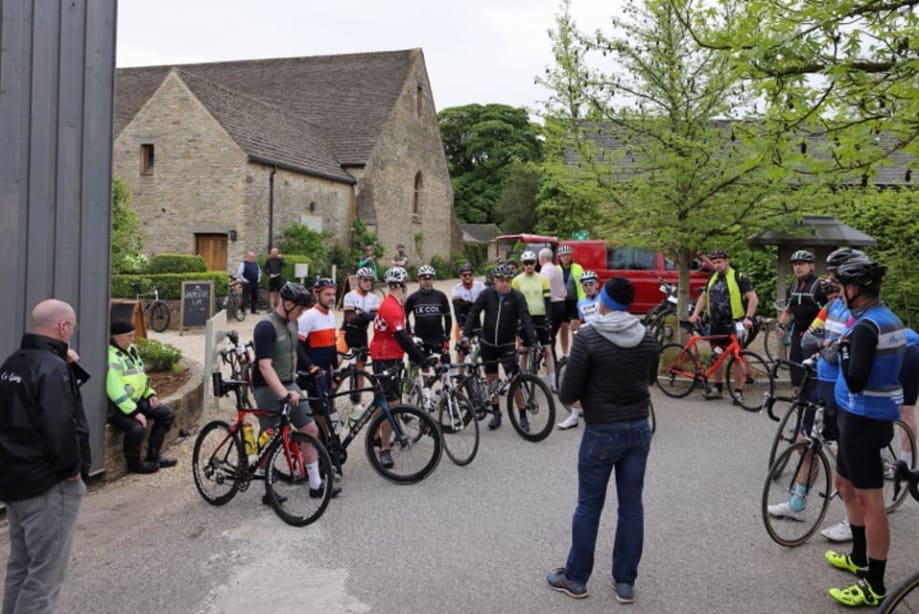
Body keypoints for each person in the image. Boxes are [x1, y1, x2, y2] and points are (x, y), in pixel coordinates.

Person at [546, 278, 659, 605]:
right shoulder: (647, 338)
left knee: (589, 505)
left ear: (605, 302)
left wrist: (584, 398)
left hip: (601, 430)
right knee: (631, 505)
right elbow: (649, 379)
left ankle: (576, 578)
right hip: (638, 427)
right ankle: (625, 582)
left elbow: (568, 392)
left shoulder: (589, 338)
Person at [823, 257, 905, 608]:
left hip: (863, 420)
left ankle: (875, 583)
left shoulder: (868, 326)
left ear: (854, 289)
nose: (838, 294)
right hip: (855, 418)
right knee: (844, 485)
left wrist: (839, 351)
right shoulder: (883, 319)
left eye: (841, 287)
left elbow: (855, 378)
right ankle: (858, 556)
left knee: (872, 503)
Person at [0, 299, 91, 614]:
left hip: (14, 480)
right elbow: (60, 424)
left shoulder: (13, 363)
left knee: (21, 567)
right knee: (44, 578)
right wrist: (72, 470)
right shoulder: (51, 367)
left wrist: (67, 366)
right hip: (48, 484)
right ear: (63, 327)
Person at [252, 282, 339, 500]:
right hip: (266, 385)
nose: (302, 314)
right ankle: (267, 488)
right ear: (288, 304)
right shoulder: (265, 327)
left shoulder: (292, 323)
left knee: (310, 430)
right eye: (300, 309)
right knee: (271, 435)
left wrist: (309, 369)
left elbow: (296, 351)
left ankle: (316, 484)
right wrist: (283, 393)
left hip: (289, 383)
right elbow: (264, 366)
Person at [369, 267, 434, 467]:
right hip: (385, 357)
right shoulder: (391, 306)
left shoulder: (397, 303)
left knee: (383, 399)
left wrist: (414, 341)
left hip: (392, 355)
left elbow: (403, 334)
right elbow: (400, 336)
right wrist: (422, 358)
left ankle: (375, 434)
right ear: (404, 285)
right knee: (393, 404)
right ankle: (385, 448)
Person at [461, 264, 538, 431]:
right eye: (501, 281)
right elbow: (474, 312)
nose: (505, 284)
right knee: (492, 379)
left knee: (515, 380)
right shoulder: (487, 294)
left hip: (507, 345)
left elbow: (526, 319)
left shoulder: (517, 297)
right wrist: (465, 335)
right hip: (487, 343)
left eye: (508, 281)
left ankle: (523, 416)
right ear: (495, 281)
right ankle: (496, 413)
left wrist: (532, 341)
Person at [107, 320, 177, 474]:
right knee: (136, 429)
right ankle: (135, 464)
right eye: (128, 336)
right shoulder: (110, 356)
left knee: (166, 414)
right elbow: (114, 390)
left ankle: (154, 456)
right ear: (115, 337)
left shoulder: (131, 350)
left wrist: (150, 394)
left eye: (133, 335)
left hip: (137, 400)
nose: (132, 339)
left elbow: (140, 377)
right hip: (119, 407)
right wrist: (134, 413)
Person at [688, 248, 759, 402]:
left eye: (719, 262)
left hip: (734, 324)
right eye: (714, 263)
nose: (717, 265)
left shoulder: (739, 277)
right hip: (716, 324)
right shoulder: (712, 277)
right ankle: (717, 388)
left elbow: (753, 299)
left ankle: (738, 391)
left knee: (737, 357)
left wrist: (748, 318)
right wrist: (695, 314)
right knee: (716, 356)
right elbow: (703, 296)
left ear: (727, 261)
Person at [776, 250, 827, 389]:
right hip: (797, 334)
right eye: (795, 264)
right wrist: (781, 325)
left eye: (801, 264)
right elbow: (788, 310)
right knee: (795, 367)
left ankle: (814, 397)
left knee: (812, 370)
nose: (797, 267)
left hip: (816, 336)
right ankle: (798, 395)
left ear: (812, 266)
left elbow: (830, 311)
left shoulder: (820, 286)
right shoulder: (792, 288)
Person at [557, 270, 601, 430]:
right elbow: (581, 321)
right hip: (590, 342)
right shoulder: (581, 303)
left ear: (597, 284)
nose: (588, 287)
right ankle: (574, 416)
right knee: (578, 377)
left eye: (591, 284)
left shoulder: (603, 298)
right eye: (585, 285)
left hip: (604, 342)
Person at [298, 277, 341, 434]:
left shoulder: (330, 315)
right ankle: (322, 442)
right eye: (327, 294)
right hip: (315, 372)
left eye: (333, 294)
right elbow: (298, 345)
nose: (331, 298)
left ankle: (332, 441)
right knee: (320, 411)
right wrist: (310, 366)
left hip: (326, 370)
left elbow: (332, 345)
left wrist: (336, 369)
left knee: (329, 407)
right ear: (317, 295)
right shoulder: (308, 316)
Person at [512, 250, 556, 389]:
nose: (529, 266)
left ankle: (553, 383)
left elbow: (548, 301)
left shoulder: (543, 279)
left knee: (547, 350)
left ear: (536, 263)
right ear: (522, 265)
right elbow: (514, 302)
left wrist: (548, 318)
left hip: (540, 317)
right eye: (526, 263)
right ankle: (521, 381)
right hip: (524, 318)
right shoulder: (516, 280)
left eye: (531, 263)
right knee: (523, 351)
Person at [341, 266, 380, 414]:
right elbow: (350, 318)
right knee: (336, 364)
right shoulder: (349, 296)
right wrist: (366, 315)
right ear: (358, 281)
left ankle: (357, 401)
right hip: (346, 333)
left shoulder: (374, 298)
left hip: (361, 335)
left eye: (370, 280)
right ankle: (329, 396)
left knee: (360, 370)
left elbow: (374, 317)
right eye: (365, 280)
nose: (368, 283)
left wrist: (360, 313)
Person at [405, 265, 452, 363]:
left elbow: (448, 318)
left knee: (445, 366)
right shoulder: (413, 298)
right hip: (420, 338)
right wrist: (409, 334)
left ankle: (444, 379)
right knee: (422, 366)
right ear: (419, 280)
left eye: (429, 279)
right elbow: (404, 316)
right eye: (424, 279)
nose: (427, 282)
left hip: (438, 338)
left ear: (433, 279)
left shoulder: (441, 296)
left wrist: (447, 338)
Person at [557, 244, 586, 357]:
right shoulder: (556, 269)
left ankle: (576, 352)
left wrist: (583, 301)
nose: (566, 257)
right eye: (563, 255)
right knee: (563, 327)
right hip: (562, 302)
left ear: (571, 255)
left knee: (575, 327)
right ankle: (564, 354)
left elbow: (583, 283)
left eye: (568, 255)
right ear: (559, 257)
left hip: (575, 301)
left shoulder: (578, 268)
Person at [264, 247, 286, 311]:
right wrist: (269, 274)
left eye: (275, 252)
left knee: (279, 293)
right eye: (272, 252)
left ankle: (279, 307)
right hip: (271, 278)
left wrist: (281, 258)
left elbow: (285, 265)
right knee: (272, 293)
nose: (273, 254)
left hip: (279, 277)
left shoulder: (280, 259)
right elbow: (265, 268)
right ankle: (272, 307)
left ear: (277, 253)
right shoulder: (268, 260)